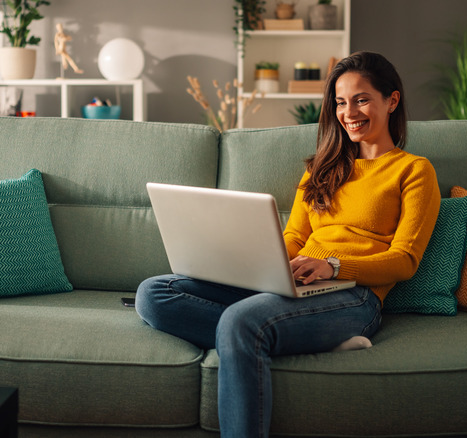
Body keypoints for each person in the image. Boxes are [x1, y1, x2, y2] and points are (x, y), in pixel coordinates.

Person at [135, 51, 441, 438]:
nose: (350, 112)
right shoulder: (320, 169)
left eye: (362, 99)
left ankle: (266, 335)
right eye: (341, 102)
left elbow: (405, 260)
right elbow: (294, 238)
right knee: (154, 293)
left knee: (240, 321)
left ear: (391, 101)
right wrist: (256, 263)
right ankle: (303, 340)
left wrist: (334, 266)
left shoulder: (414, 170)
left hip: (354, 296)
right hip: (294, 279)